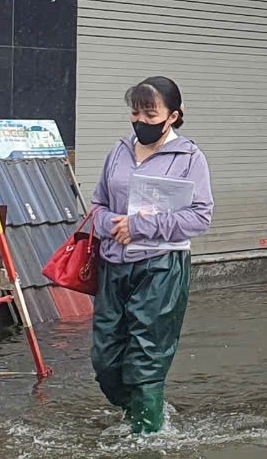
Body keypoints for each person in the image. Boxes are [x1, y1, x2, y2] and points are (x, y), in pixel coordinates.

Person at [85, 77, 214, 432]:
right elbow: (95, 205)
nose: (141, 120)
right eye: (135, 112)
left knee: (146, 356)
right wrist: (114, 222)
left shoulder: (189, 157)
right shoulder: (119, 151)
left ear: (173, 116)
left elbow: (200, 216)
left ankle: (146, 438)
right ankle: (142, 409)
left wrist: (140, 227)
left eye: (150, 112)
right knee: (105, 359)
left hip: (161, 266)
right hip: (113, 264)